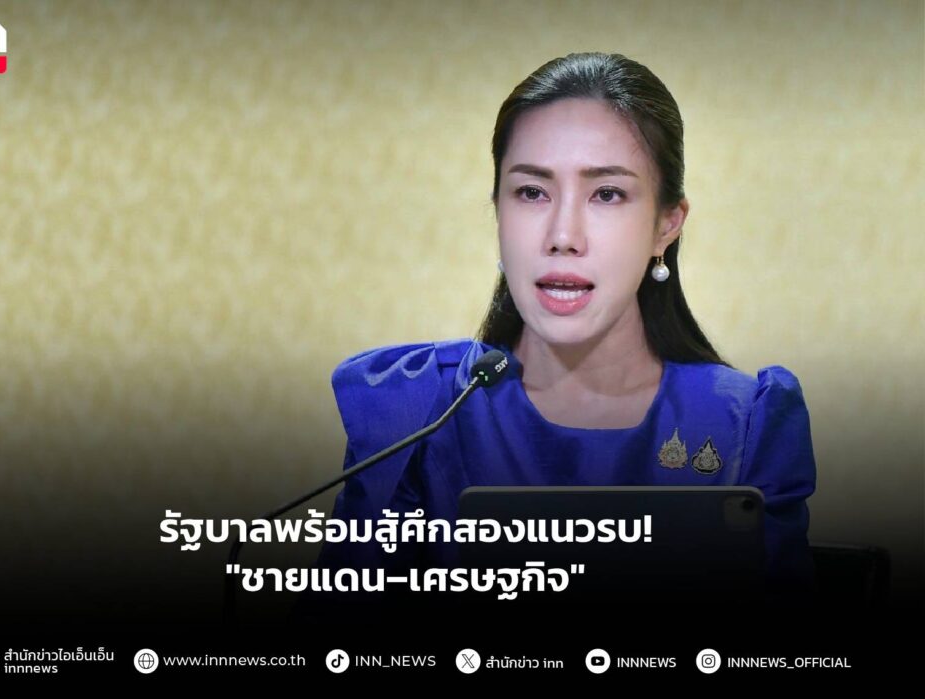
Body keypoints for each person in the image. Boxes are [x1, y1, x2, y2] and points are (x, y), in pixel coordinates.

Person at [297, 52, 817, 623]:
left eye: (607, 194)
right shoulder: (416, 409)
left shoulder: (747, 421)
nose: (563, 235)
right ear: (498, 213)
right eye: (531, 192)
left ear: (666, 224)